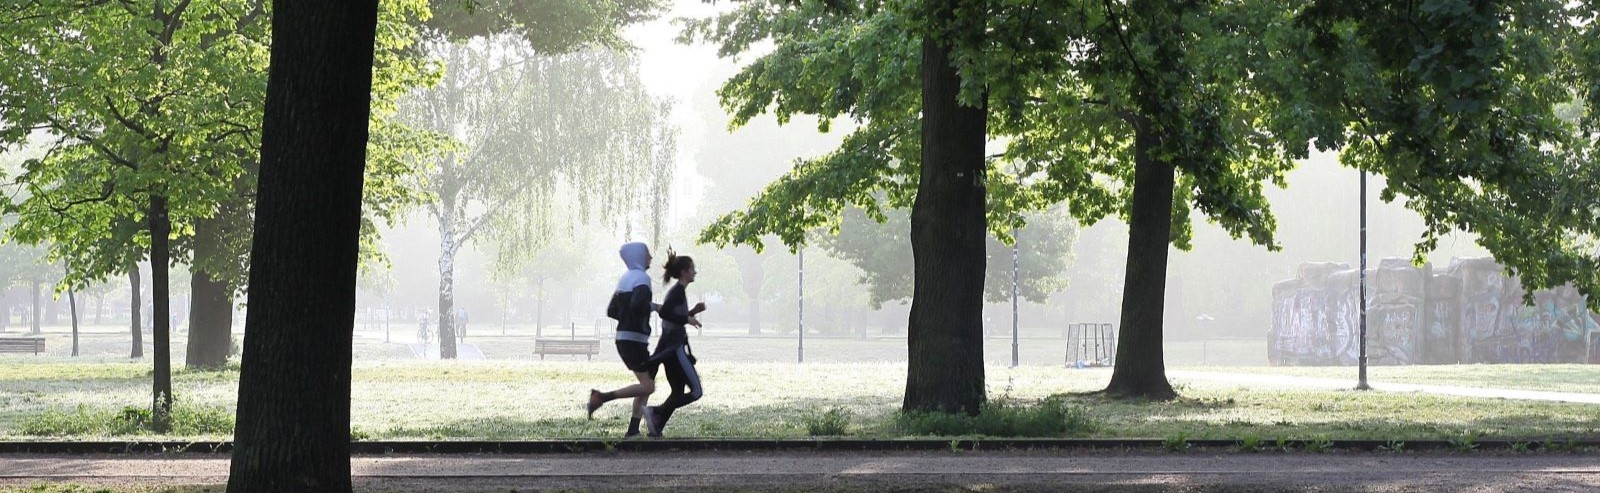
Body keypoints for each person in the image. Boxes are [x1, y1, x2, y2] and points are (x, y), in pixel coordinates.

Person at [585, 242, 659, 437]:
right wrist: (653, 308)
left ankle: (633, 431)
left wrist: (628, 319)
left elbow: (612, 311)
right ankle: (601, 397)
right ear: (639, 257)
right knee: (648, 386)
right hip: (635, 339)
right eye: (647, 254)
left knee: (645, 385)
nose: (651, 257)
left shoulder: (625, 279)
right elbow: (638, 304)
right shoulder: (642, 278)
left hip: (624, 338)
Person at [643, 250, 706, 437]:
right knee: (696, 392)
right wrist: (688, 318)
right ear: (685, 272)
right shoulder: (677, 291)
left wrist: (692, 312)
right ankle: (656, 412)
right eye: (693, 269)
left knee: (678, 391)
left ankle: (656, 426)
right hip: (675, 349)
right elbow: (665, 313)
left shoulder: (678, 292)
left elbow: (674, 317)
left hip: (670, 349)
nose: (695, 272)